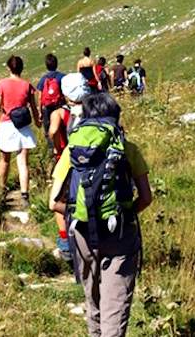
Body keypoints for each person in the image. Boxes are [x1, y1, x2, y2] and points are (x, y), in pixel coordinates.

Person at [49, 93, 152, 337]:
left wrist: (81, 213)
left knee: (92, 298)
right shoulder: (128, 149)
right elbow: (146, 198)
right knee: (114, 307)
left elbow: (54, 203)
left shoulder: (72, 150)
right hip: (121, 236)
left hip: (83, 234)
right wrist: (123, 213)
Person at [0, 55, 41, 209]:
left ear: (8, 68)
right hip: (23, 125)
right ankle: (25, 195)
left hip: (6, 124)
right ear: (22, 68)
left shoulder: (2, 84)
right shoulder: (27, 85)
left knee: (4, 159)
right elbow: (34, 107)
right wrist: (37, 122)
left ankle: (2, 191)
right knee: (23, 162)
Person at [47, 72, 90, 262]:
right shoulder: (95, 109)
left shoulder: (61, 112)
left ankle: (65, 243)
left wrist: (58, 147)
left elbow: (53, 131)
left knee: (59, 199)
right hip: (91, 160)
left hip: (67, 158)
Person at [36, 53, 65, 147]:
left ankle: (52, 150)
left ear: (46, 66)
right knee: (61, 128)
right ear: (56, 64)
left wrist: (39, 111)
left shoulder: (43, 79)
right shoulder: (62, 77)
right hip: (59, 106)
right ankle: (63, 147)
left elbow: (40, 97)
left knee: (48, 129)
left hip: (47, 108)